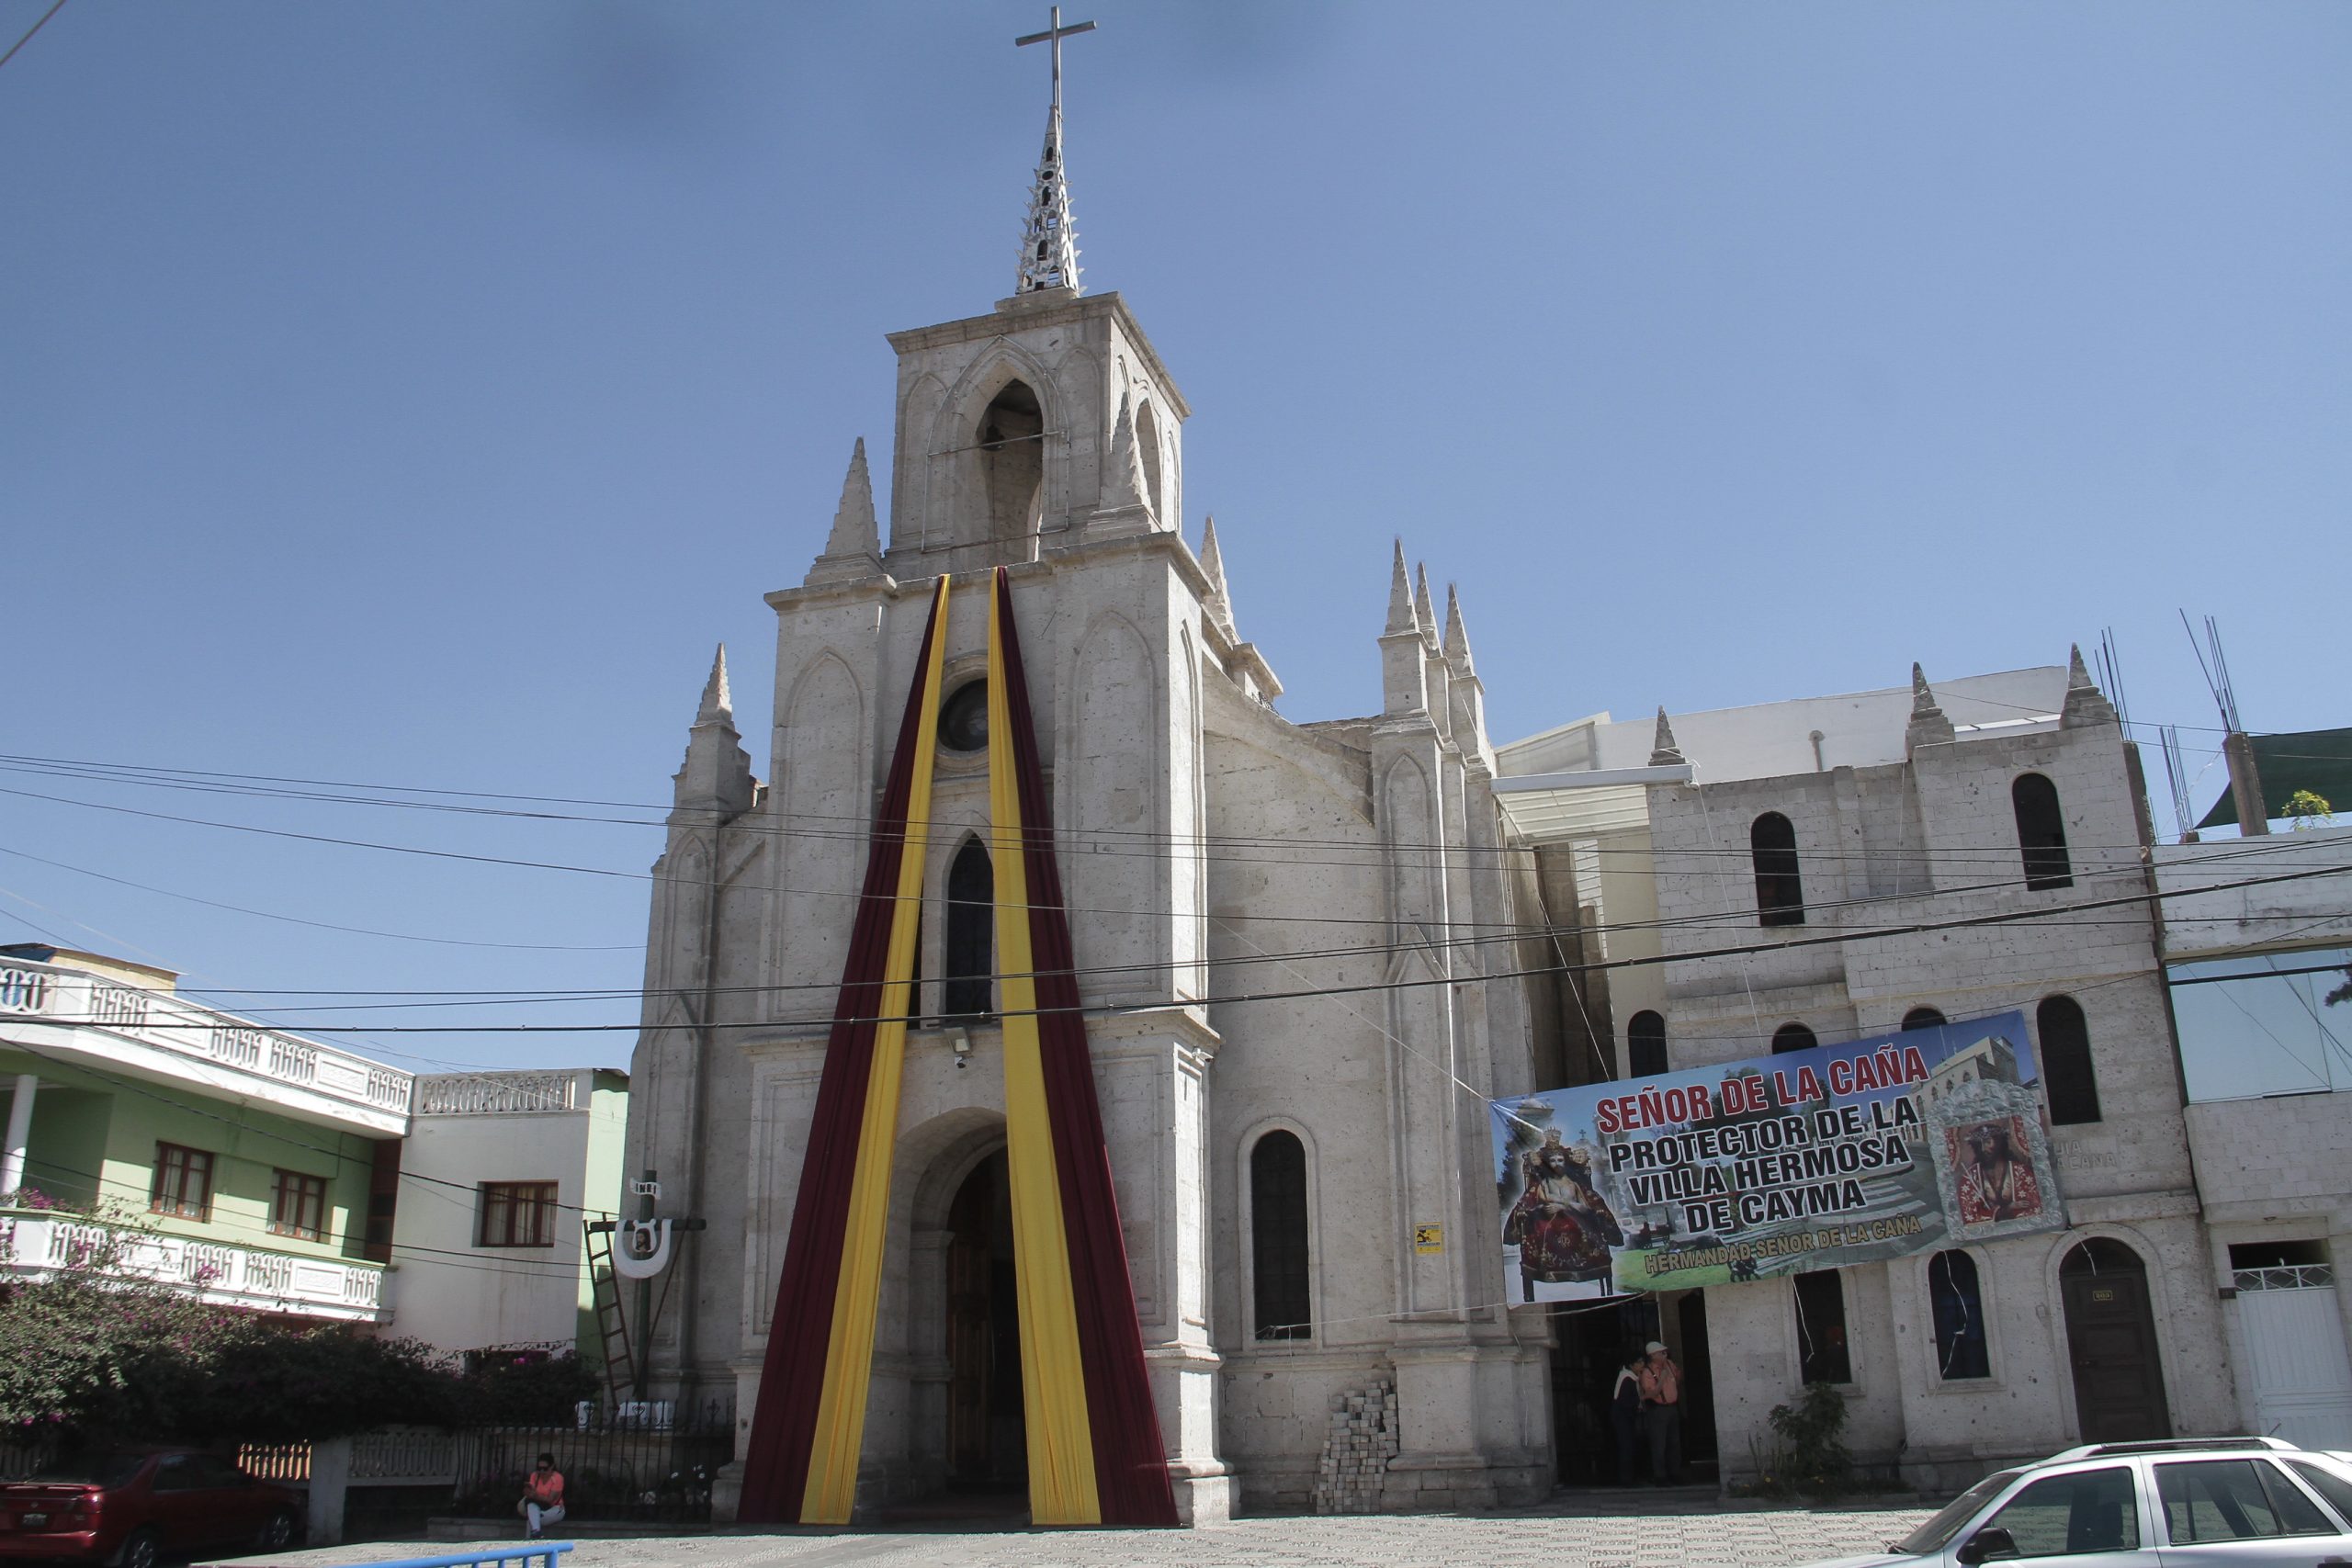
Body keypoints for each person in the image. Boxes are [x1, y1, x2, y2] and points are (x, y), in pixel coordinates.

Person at [1636, 1339, 1684, 1485]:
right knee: (1659, 1444)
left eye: (1665, 1352)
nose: (1664, 1354)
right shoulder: (1648, 1372)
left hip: (1673, 1408)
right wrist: (1662, 1378)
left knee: (1674, 1443)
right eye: (1661, 1353)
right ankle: (1660, 1476)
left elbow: (1678, 1379)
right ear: (1653, 1355)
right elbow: (1651, 1393)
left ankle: (1675, 1474)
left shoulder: (1670, 1364)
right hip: (1658, 1410)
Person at [1610, 1350, 1645, 1486]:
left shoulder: (1630, 1377)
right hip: (1623, 1418)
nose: (1642, 1364)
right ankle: (1626, 1479)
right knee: (1626, 1447)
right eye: (1639, 1362)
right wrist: (1639, 1401)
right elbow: (1624, 1401)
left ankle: (1629, 1477)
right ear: (1631, 1365)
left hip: (1626, 1418)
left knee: (1629, 1447)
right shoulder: (1627, 1378)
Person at [519, 1453, 565, 1539]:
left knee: (532, 1518)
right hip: (538, 1507)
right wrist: (527, 1491)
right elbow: (530, 1492)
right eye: (539, 1469)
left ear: (552, 1467)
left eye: (545, 1469)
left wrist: (536, 1496)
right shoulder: (535, 1476)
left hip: (555, 1509)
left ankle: (533, 1536)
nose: (542, 1471)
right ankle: (536, 1532)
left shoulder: (557, 1478)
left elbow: (551, 1500)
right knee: (531, 1507)